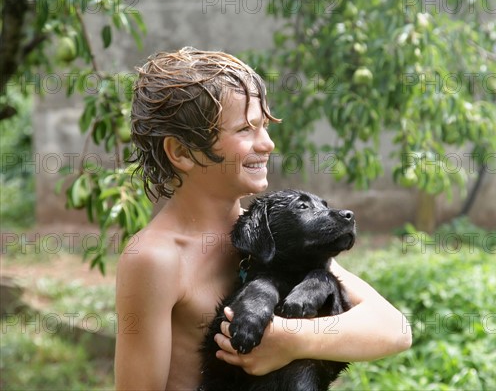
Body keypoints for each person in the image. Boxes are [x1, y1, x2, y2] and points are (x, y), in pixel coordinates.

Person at [114, 46, 411, 390]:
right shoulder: (154, 259)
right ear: (182, 152)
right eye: (245, 129)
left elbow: (394, 329)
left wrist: (292, 339)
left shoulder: (270, 237)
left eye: (265, 126)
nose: (267, 143)